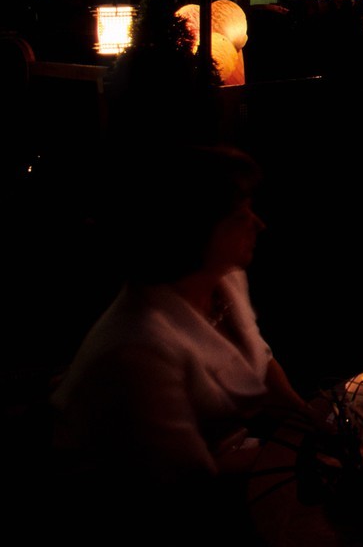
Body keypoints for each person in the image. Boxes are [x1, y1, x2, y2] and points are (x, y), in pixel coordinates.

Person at [49, 143, 312, 542]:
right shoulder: (139, 347)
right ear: (194, 230)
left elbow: (260, 363)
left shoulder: (223, 279)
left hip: (232, 462)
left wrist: (310, 419)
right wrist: (301, 453)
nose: (259, 225)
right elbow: (186, 481)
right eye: (241, 216)